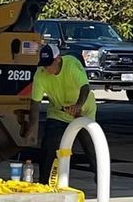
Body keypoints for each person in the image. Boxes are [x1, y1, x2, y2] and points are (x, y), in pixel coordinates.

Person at [23, 43, 96, 182]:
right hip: (59, 111)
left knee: (89, 144)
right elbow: (35, 103)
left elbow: (85, 87)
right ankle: (44, 182)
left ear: (58, 59)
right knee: (49, 146)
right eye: (43, 64)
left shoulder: (72, 65)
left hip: (83, 110)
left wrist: (78, 106)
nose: (46, 68)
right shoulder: (41, 74)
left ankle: (101, 176)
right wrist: (32, 129)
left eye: (49, 64)